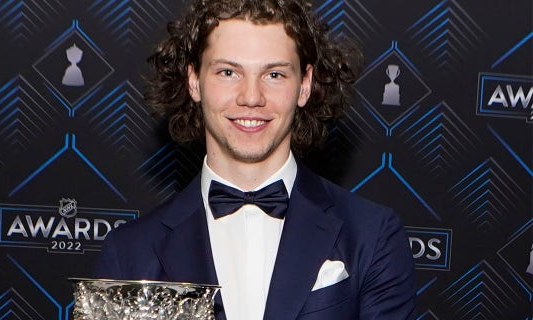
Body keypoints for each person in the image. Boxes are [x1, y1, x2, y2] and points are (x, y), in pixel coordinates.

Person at [94, 0, 416, 319]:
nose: (251, 97)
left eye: (274, 74)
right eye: (228, 72)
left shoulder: (371, 236)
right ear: (194, 80)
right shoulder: (130, 253)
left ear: (304, 85)